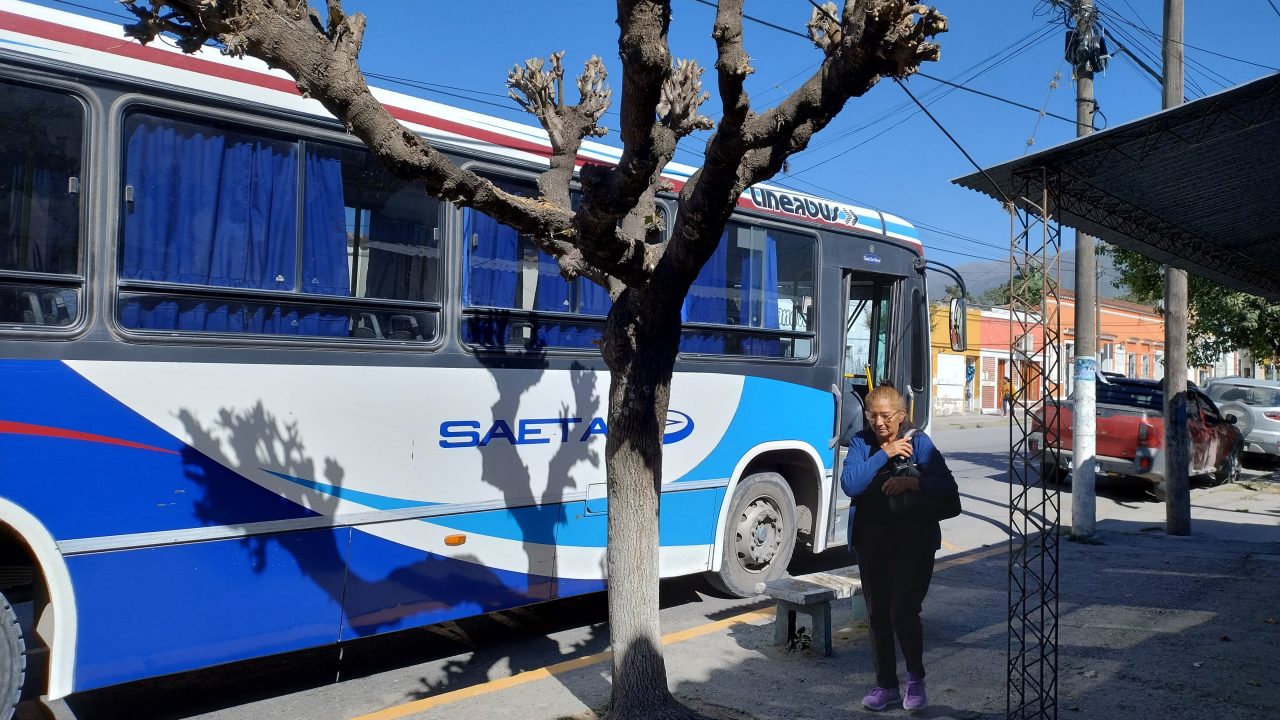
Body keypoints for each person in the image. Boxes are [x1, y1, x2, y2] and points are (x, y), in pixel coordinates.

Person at [840, 385, 958, 712]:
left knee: (903, 611)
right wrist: (886, 452)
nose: (878, 422)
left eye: (886, 415)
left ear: (902, 415)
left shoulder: (919, 443)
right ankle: (886, 686)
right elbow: (851, 484)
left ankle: (916, 679)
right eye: (872, 415)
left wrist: (912, 482)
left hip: (914, 542)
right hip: (871, 542)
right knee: (877, 615)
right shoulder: (862, 443)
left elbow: (948, 488)